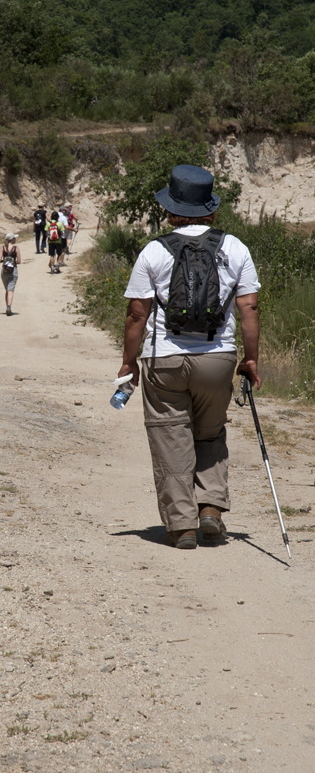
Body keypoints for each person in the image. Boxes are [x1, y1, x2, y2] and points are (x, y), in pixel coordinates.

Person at [117, 164, 261, 550]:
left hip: (164, 359)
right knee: (210, 433)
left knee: (170, 438)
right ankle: (211, 509)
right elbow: (249, 308)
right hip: (217, 358)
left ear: (170, 208)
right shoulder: (235, 247)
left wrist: (130, 362)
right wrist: (251, 360)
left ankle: (181, 526)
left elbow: (137, 314)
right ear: (210, 209)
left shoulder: (154, 250)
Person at [0, 232, 21, 315]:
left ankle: (7, 307)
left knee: (7, 290)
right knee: (10, 289)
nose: (15, 239)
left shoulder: (2, 248)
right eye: (14, 238)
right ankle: (9, 307)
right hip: (13, 270)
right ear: (12, 239)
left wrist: (5, 261)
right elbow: (19, 261)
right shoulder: (16, 248)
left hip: (4, 271)